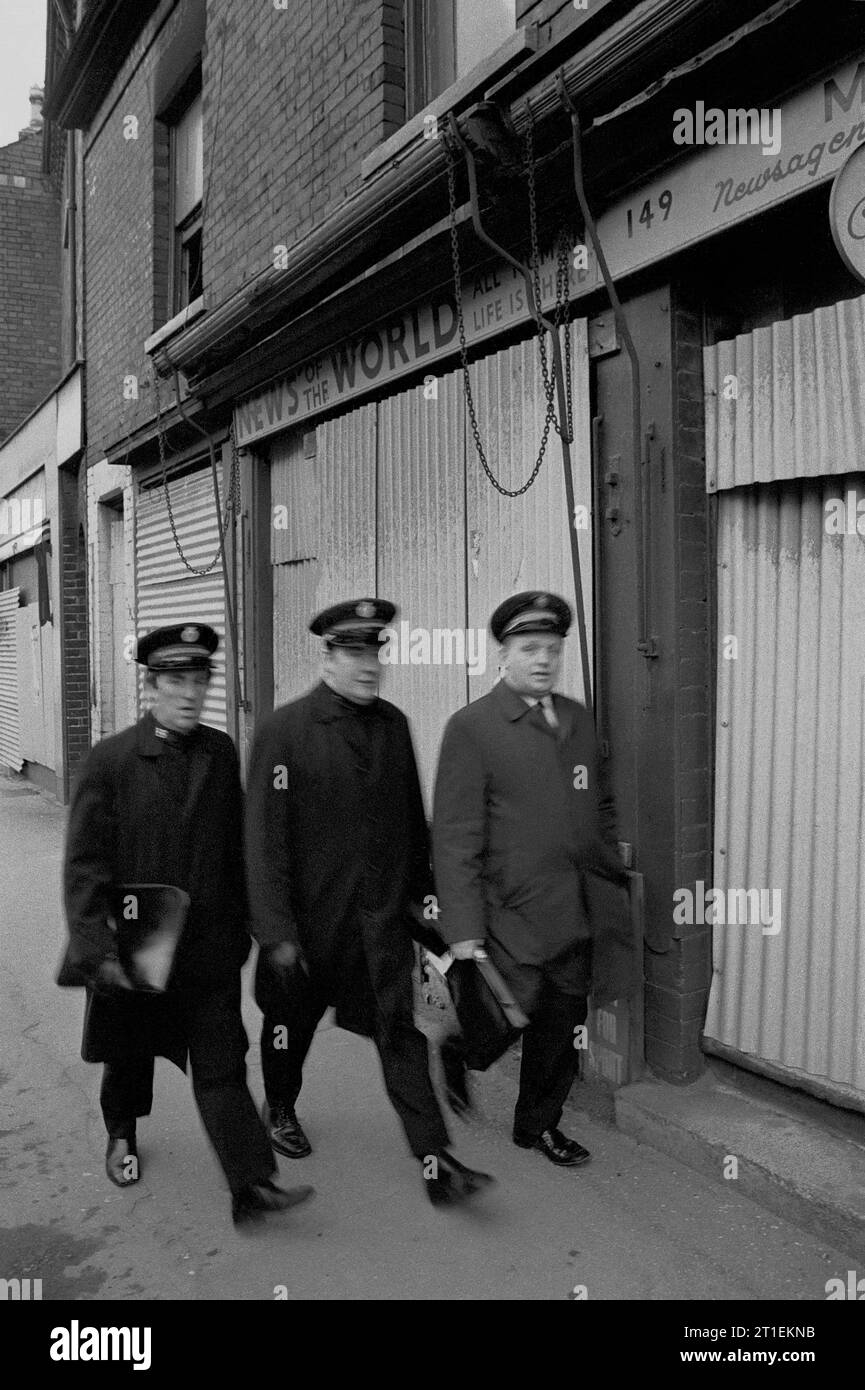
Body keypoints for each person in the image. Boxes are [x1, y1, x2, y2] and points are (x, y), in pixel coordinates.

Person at [59, 623, 314, 1227]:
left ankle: (250, 1187)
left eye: (199, 680)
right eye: (176, 680)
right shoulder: (112, 761)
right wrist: (98, 950)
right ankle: (121, 1134)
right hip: (138, 950)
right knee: (129, 1053)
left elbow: (237, 850)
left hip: (207, 950)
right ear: (152, 684)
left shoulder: (221, 753)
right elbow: (85, 866)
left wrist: (267, 929)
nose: (189, 693)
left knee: (222, 1064)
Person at [245, 598, 494, 1207]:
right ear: (326, 656)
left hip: (379, 926)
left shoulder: (393, 726)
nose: (367, 664)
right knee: (288, 1031)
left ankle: (435, 1161)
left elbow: (413, 825)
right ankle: (280, 1106)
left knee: (401, 1036)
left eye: (374, 650)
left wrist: (426, 906)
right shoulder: (285, 731)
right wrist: (276, 933)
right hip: (307, 932)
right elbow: (263, 842)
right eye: (353, 651)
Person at [432, 591, 634, 1166]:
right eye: (529, 648)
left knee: (561, 1025)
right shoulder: (472, 727)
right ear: (503, 655)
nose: (543, 659)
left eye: (552, 648)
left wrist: (609, 877)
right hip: (509, 914)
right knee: (501, 1018)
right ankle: (459, 1049)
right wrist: (463, 928)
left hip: (575, 909)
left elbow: (601, 803)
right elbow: (455, 835)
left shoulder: (576, 719)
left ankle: (538, 1125)